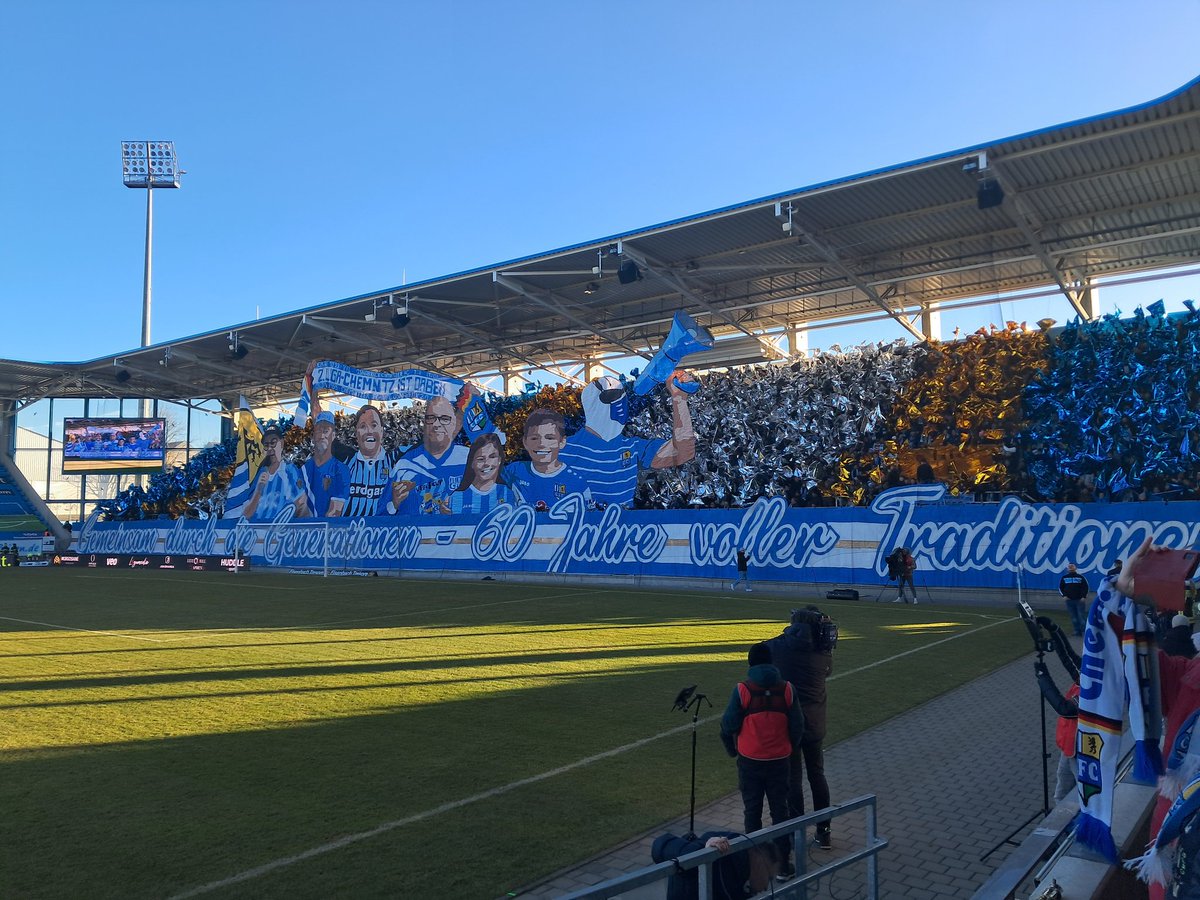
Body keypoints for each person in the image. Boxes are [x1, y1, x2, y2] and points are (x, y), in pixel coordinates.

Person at [558, 373, 696, 509]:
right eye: (611, 396)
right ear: (591, 405)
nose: (620, 403)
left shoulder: (631, 447)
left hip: (619, 528)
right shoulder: (562, 448)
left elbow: (682, 452)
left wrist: (679, 399)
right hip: (576, 529)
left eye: (622, 397)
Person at [720, 642, 803, 864]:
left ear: (750, 663)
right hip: (779, 760)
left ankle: (754, 863)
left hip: (750, 760)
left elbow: (728, 724)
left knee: (752, 812)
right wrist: (789, 748)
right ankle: (784, 863)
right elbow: (797, 726)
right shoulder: (787, 689)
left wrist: (732, 749)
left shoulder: (743, 690)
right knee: (780, 811)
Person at [767, 607, 834, 851]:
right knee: (817, 775)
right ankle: (824, 832)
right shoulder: (823, 652)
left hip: (790, 725)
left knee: (793, 780)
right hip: (815, 723)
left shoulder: (780, 648)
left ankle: (796, 831)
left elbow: (764, 649)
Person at [385, 395, 470, 516]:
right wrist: (394, 503)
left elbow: (487, 501)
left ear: (453, 424)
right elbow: (382, 514)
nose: (437, 424)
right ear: (424, 424)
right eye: (431, 418)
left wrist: (458, 511)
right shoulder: (404, 465)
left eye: (444, 418)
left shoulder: (470, 459)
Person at [649, 831, 780, 900]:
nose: (766, 887)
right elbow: (659, 845)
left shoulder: (742, 870)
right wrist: (699, 854)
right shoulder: (723, 850)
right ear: (759, 863)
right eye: (768, 878)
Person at [506, 409, 591, 512]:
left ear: (562, 442)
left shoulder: (577, 482)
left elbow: (588, 517)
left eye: (550, 438)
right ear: (525, 442)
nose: (542, 444)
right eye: (534, 438)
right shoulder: (514, 471)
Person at [243, 426, 306, 522]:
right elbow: (246, 514)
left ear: (281, 443)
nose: (270, 448)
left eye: (273, 443)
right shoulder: (260, 473)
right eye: (266, 445)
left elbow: (302, 501)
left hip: (281, 531)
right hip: (256, 530)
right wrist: (258, 491)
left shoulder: (289, 470)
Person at [442, 433, 515, 514]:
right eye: (480, 459)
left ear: (499, 460)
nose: (486, 463)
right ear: (472, 463)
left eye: (492, 457)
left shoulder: (507, 493)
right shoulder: (456, 497)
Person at [300, 411, 351, 517]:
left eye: (326, 431)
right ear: (313, 436)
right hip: (305, 531)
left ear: (333, 436)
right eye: (318, 431)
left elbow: (335, 512)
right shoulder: (303, 470)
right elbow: (299, 507)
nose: (322, 435)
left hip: (328, 531)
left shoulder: (341, 470)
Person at [1058, 562, 1090, 637]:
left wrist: (1083, 597)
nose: (1071, 568)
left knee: (1081, 617)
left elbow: (1086, 587)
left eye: (1072, 566)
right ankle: (1077, 631)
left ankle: (1085, 632)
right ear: (1067, 569)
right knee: (1073, 617)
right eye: (1069, 567)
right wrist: (1064, 596)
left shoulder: (1081, 577)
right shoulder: (1064, 578)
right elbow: (1061, 588)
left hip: (1079, 600)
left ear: (1075, 568)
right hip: (1069, 600)